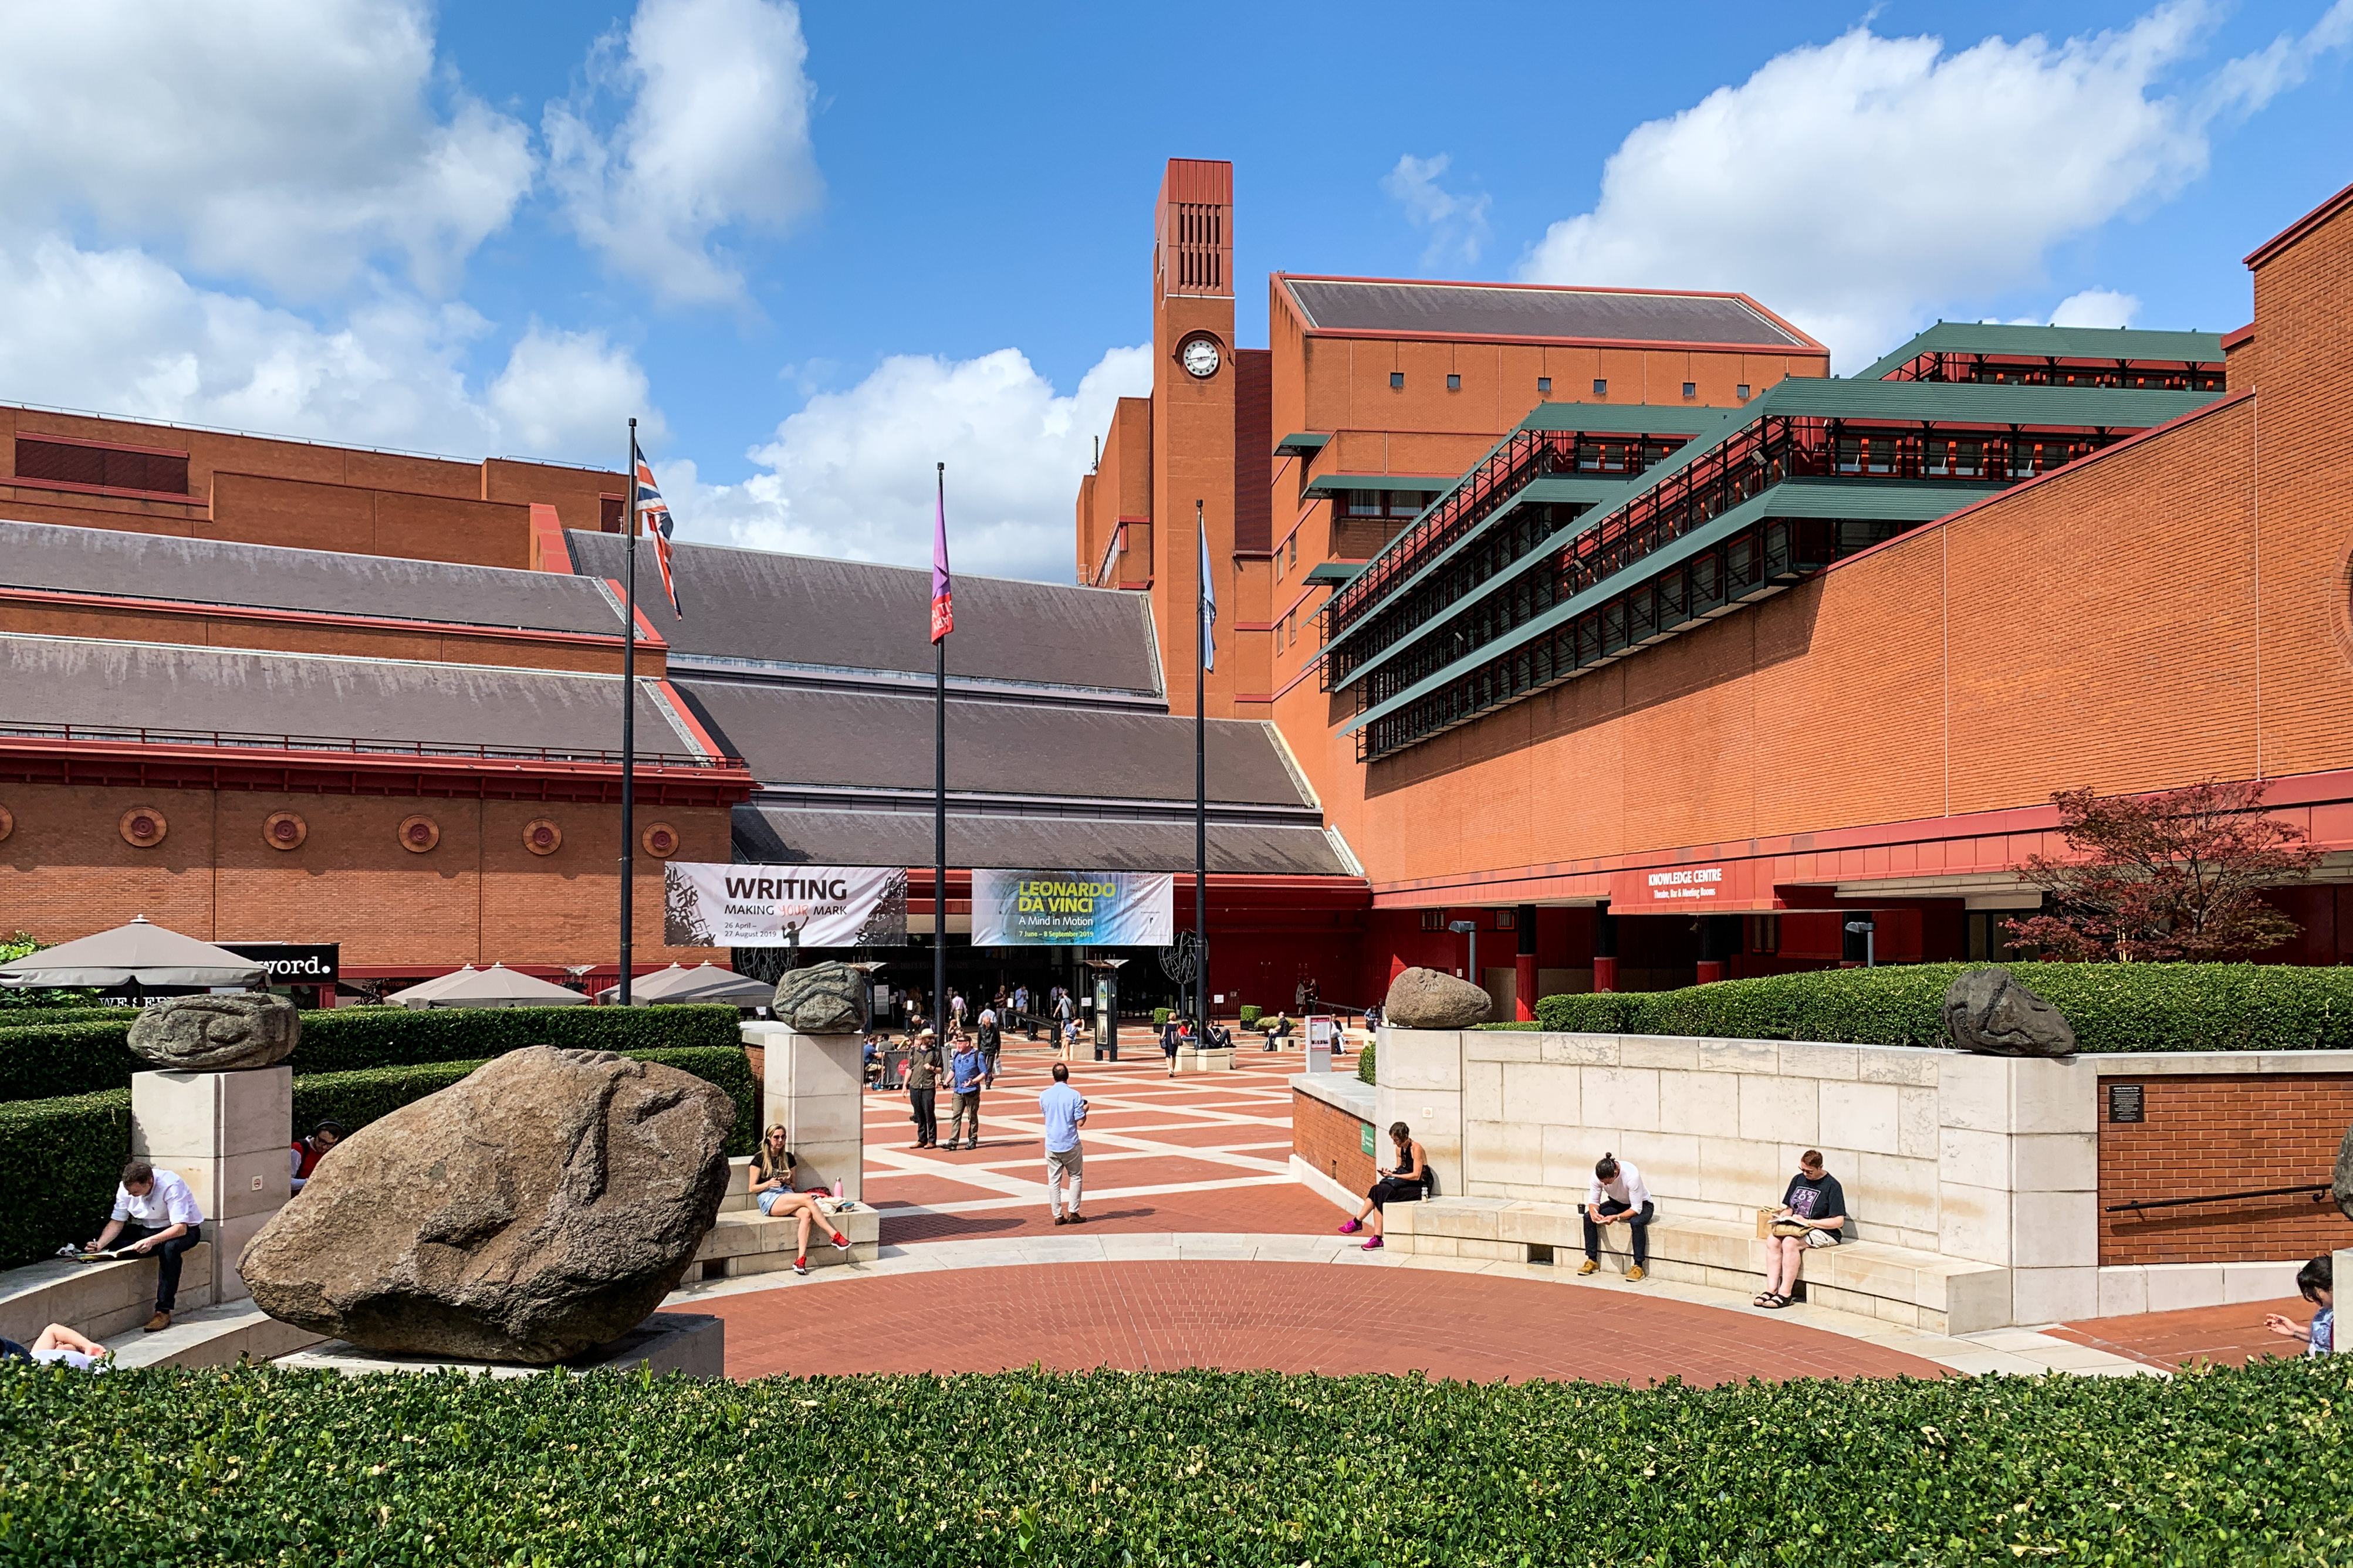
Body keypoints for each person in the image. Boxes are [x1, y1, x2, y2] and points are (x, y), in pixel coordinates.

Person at [86, 1159, 204, 1331]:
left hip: (183, 1232)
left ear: (149, 1182)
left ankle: (163, 1311)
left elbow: (180, 1228)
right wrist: (100, 1244)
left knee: (169, 1250)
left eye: (135, 1192)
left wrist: (152, 1241)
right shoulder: (126, 1188)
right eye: (129, 1191)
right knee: (96, 1234)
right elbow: (117, 1222)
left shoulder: (171, 1185)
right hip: (148, 1229)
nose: (131, 1195)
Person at [749, 1125, 851, 1276]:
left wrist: (787, 1181)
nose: (780, 1140)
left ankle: (801, 1260)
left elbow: (794, 1186)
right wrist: (768, 1183)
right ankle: (834, 1235)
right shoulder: (760, 1158)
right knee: (808, 1198)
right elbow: (752, 1188)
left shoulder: (788, 1158)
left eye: (783, 1137)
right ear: (769, 1139)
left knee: (806, 1214)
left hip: (786, 1193)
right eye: (776, 1137)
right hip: (769, 1198)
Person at [1756, 1150, 1847, 1308]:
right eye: (1803, 1169)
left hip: (1824, 1230)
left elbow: (1838, 1221)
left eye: (1809, 1171)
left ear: (1820, 1167)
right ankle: (1771, 1289)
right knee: (1773, 1240)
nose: (1805, 1174)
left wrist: (1809, 1222)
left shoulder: (1832, 1186)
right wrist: (1781, 1217)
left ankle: (1785, 1293)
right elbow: (1790, 1208)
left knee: (1790, 1243)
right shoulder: (1798, 1180)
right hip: (1798, 1226)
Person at [1337, 1122, 1426, 1251]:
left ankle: (1360, 1224)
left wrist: (1394, 1176)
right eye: (1393, 1140)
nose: (1394, 1143)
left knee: (1379, 1192)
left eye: (1396, 1140)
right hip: (1405, 1182)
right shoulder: (1399, 1149)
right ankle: (1375, 1237)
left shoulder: (1416, 1149)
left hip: (1419, 1187)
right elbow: (1399, 1170)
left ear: (1404, 1137)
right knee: (1377, 1191)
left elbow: (1416, 1176)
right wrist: (1389, 1173)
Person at [1580, 1153, 1654, 1282]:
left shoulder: (1631, 1175)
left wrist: (1616, 1218)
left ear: (1615, 1174)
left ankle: (1638, 1266)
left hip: (1643, 1205)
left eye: (1606, 1182)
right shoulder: (1597, 1176)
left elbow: (1636, 1208)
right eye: (1602, 1182)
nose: (1604, 1184)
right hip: (1617, 1203)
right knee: (1588, 1217)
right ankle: (1592, 1260)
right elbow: (1594, 1201)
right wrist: (1594, 1213)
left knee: (1636, 1222)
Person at [1039, 1061, 1088, 1224]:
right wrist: (1086, 1110)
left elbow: (1046, 1113)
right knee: (1075, 1176)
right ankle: (1073, 1212)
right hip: (1070, 1142)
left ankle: (1057, 1215)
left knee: (1054, 1180)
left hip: (1052, 1143)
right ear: (1067, 1076)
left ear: (1054, 1077)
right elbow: (1080, 1122)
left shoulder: (1044, 1095)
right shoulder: (1075, 1095)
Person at [2264, 1255, 2335, 1356]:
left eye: (2313, 1292)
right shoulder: (2324, 1312)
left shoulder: (2342, 1318)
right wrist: (2295, 1330)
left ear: (2331, 1287)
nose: (2310, 1296)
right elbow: (2319, 1338)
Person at [0, 1322, 110, 1372]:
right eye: (59, 1343)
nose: (58, 1344)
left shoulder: (91, 1362)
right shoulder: (37, 1355)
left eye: (62, 1343)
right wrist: (87, 1345)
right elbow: (52, 1329)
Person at [945, 1034, 986, 1150]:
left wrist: (973, 1081)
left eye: (960, 1043)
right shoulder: (957, 1055)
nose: (958, 1045)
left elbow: (984, 1072)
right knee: (956, 1116)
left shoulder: (977, 1055)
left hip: (972, 1091)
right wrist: (946, 1081)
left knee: (972, 1116)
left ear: (967, 1043)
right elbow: (953, 1070)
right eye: (957, 1043)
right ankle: (953, 1142)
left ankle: (972, 1140)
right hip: (958, 1090)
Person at [904, 1030, 943, 1149]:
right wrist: (905, 1085)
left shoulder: (936, 1052)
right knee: (919, 1114)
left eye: (933, 1038)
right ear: (923, 1039)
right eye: (930, 1038)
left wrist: (932, 1068)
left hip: (928, 1086)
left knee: (929, 1113)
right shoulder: (913, 1051)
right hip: (915, 1085)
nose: (932, 1040)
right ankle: (922, 1139)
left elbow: (941, 1070)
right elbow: (910, 1068)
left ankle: (932, 1140)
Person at [289, 1120, 344, 1193]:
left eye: (330, 1144)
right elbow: (287, 1182)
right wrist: (312, 1181)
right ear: (315, 1135)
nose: (324, 1147)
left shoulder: (333, 1151)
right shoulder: (299, 1149)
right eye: (322, 1141)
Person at [976, 1006, 1002, 1088]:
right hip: (983, 1048)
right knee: (983, 1065)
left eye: (989, 1023)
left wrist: (998, 1049)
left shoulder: (995, 1027)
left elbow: (998, 1038)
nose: (988, 1025)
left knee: (990, 1066)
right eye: (987, 1024)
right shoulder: (981, 1028)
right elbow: (979, 1039)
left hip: (992, 1048)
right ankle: (989, 1078)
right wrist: (979, 1050)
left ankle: (988, 1082)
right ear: (983, 1023)